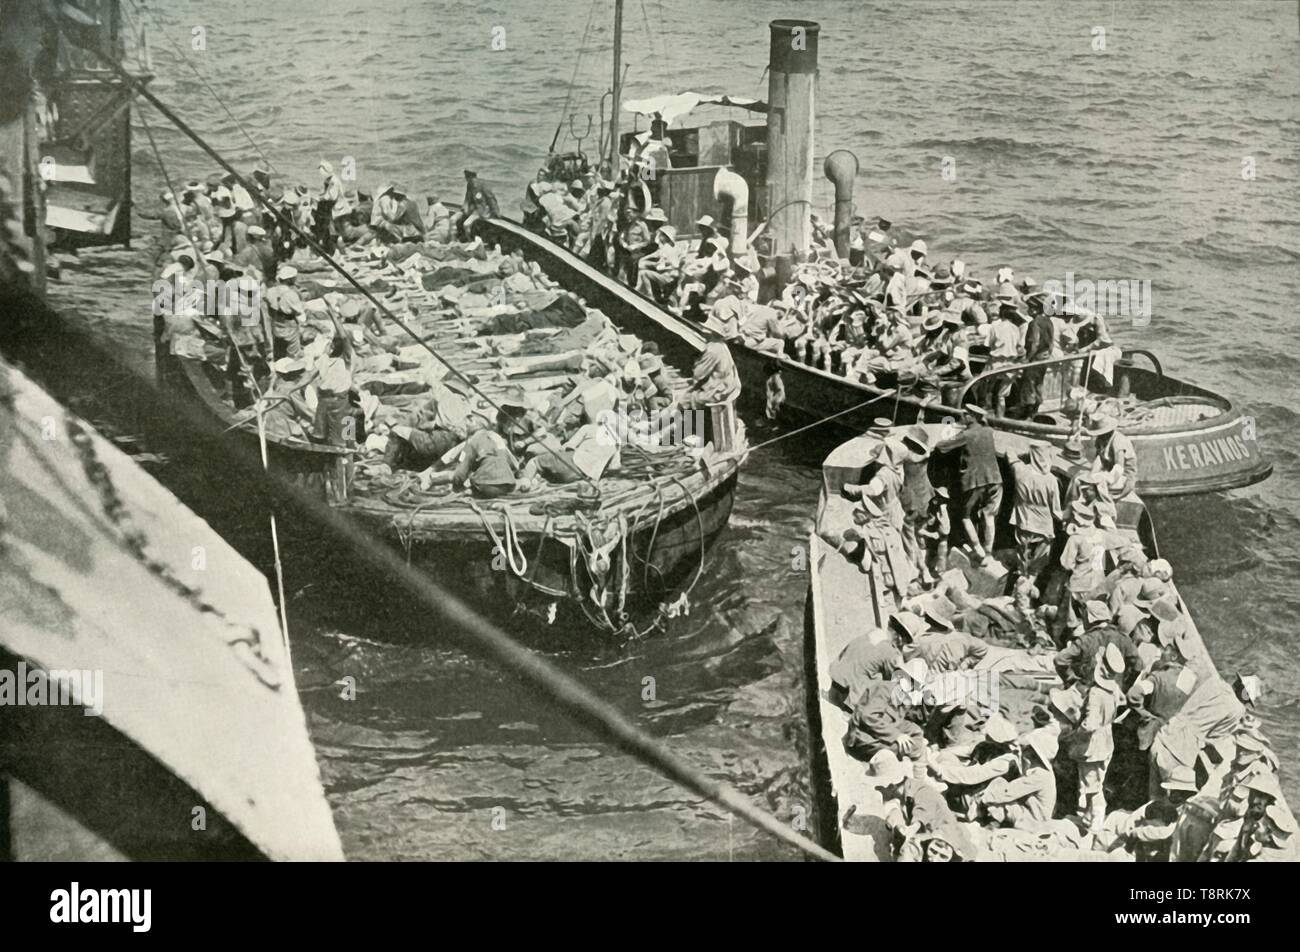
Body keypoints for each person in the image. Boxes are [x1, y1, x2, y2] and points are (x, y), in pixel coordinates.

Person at [934, 405, 1003, 562]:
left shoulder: (966, 434)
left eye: (966, 414)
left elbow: (941, 447)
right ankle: (988, 552)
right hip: (995, 479)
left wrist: (952, 431)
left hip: (974, 481)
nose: (963, 416)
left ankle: (977, 548)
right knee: (989, 515)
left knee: (965, 516)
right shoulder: (988, 431)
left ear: (972, 417)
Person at [1069, 643, 1125, 833]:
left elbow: (1090, 723)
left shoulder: (1096, 692)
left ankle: (1096, 822)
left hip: (1092, 744)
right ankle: (1088, 816)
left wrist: (1075, 734)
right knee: (1096, 781)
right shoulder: (1114, 689)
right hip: (1107, 739)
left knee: (1092, 787)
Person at [1006, 442, 1060, 579]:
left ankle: (1020, 583)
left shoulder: (1020, 470)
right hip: (1043, 527)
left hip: (1023, 520)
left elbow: (1009, 452)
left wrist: (1025, 454)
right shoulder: (1051, 480)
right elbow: (1056, 511)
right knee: (1036, 566)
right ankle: (1029, 586)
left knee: (1022, 559)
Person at [451, 409, 522, 498]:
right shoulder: (497, 438)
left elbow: (460, 474)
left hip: (485, 486)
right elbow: (513, 464)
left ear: (471, 420)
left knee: (470, 488)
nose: (464, 427)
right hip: (508, 485)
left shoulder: (471, 441)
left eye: (464, 423)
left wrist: (456, 487)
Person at [985, 301, 1025, 418]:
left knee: (988, 390)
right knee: (1001, 395)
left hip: (995, 363)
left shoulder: (995, 328)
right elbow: (1019, 346)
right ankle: (1000, 418)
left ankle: (987, 416)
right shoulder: (1016, 329)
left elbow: (988, 344)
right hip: (1010, 364)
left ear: (1001, 313)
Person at [1088, 414, 1137, 498]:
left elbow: (1119, 468)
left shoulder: (1118, 440)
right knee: (1080, 480)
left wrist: (1106, 480)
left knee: (1096, 487)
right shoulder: (1101, 439)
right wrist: (1091, 476)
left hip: (1124, 477)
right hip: (1109, 472)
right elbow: (1099, 459)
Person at [455, 169, 500, 239]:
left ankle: (470, 240)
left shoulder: (483, 186)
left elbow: (491, 199)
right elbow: (467, 198)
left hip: (481, 211)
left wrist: (496, 212)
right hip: (472, 209)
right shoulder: (469, 185)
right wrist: (464, 207)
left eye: (468, 177)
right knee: (454, 219)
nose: (467, 179)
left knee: (466, 224)